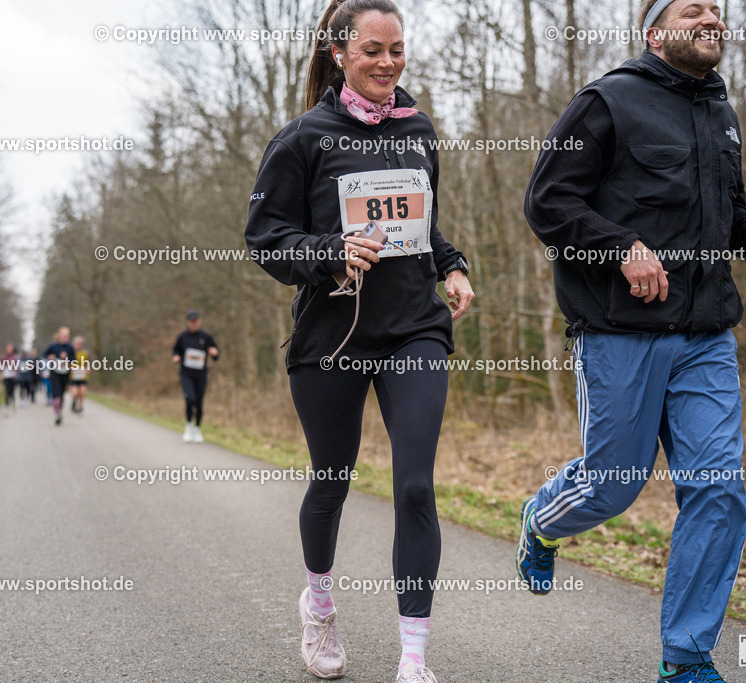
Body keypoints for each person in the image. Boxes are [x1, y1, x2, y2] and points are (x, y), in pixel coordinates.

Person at [516, 1, 746, 681]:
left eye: (718, 9)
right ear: (655, 32)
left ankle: (685, 656)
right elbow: (547, 202)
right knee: (613, 485)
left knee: (719, 490)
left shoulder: (720, 111)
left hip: (706, 336)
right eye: (693, 8)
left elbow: (722, 211)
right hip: (620, 331)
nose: (712, 17)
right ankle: (543, 520)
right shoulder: (606, 101)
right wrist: (622, 247)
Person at [245, 2, 474, 680]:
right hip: (332, 336)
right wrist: (330, 252)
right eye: (372, 49)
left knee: (415, 487)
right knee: (332, 479)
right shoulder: (302, 139)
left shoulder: (418, 128)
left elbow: (422, 222)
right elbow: (266, 240)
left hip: (413, 328)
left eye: (396, 49)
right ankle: (318, 605)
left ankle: (414, 657)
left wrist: (452, 265)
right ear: (339, 53)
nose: (387, 62)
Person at [171, 310, 219, 443]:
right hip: (186, 374)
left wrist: (214, 353)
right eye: (192, 321)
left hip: (201, 375)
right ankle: (188, 426)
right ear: (188, 322)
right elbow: (175, 350)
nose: (194, 323)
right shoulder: (182, 337)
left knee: (199, 402)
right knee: (190, 398)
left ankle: (197, 429)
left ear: (199, 321)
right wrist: (176, 357)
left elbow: (216, 354)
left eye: (196, 321)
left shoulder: (206, 337)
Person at [43, 327, 76, 426]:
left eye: (67, 336)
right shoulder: (53, 346)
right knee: (56, 392)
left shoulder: (70, 347)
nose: (65, 338)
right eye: (63, 336)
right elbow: (45, 355)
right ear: (59, 336)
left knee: (61, 394)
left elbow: (74, 359)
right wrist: (50, 357)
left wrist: (67, 357)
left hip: (65, 373)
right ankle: (56, 412)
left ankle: (59, 412)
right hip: (55, 372)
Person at [69, 336, 90, 414]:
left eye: (80, 344)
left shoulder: (85, 353)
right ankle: (74, 402)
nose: (79, 345)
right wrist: (69, 368)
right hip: (73, 377)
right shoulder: (70, 353)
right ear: (73, 344)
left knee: (82, 392)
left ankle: (80, 406)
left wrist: (87, 369)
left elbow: (88, 364)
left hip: (82, 376)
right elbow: (66, 363)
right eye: (77, 344)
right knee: (75, 393)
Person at [0, 343, 19, 416]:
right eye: (8, 348)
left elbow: (18, 367)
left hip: (13, 376)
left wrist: (13, 365)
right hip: (6, 376)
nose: (9, 350)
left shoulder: (15, 357)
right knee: (7, 390)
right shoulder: (3, 357)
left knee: (12, 391)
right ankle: (7, 405)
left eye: (10, 348)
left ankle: (13, 404)